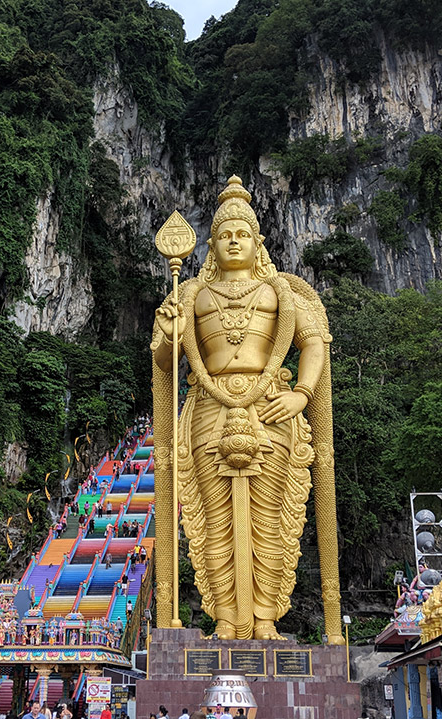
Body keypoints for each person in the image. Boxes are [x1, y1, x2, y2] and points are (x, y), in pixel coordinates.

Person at [153, 177, 338, 641]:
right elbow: (162, 359)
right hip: (208, 410)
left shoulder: (282, 293)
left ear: (258, 242)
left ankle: (265, 619)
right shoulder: (190, 296)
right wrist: (171, 331)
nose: (234, 241)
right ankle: (225, 619)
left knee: (269, 519)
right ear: (211, 246)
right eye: (224, 235)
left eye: (242, 235)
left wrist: (302, 391)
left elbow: (313, 343)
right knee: (214, 522)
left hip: (270, 406)